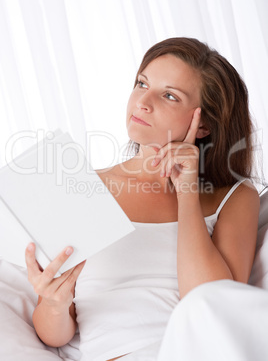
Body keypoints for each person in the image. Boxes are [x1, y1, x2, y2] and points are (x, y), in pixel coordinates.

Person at [25, 37, 260, 361]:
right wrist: (54, 303)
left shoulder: (233, 196)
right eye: (141, 83)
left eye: (169, 95)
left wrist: (187, 191)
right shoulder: (80, 188)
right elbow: (55, 335)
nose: (143, 102)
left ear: (203, 123)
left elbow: (212, 304)